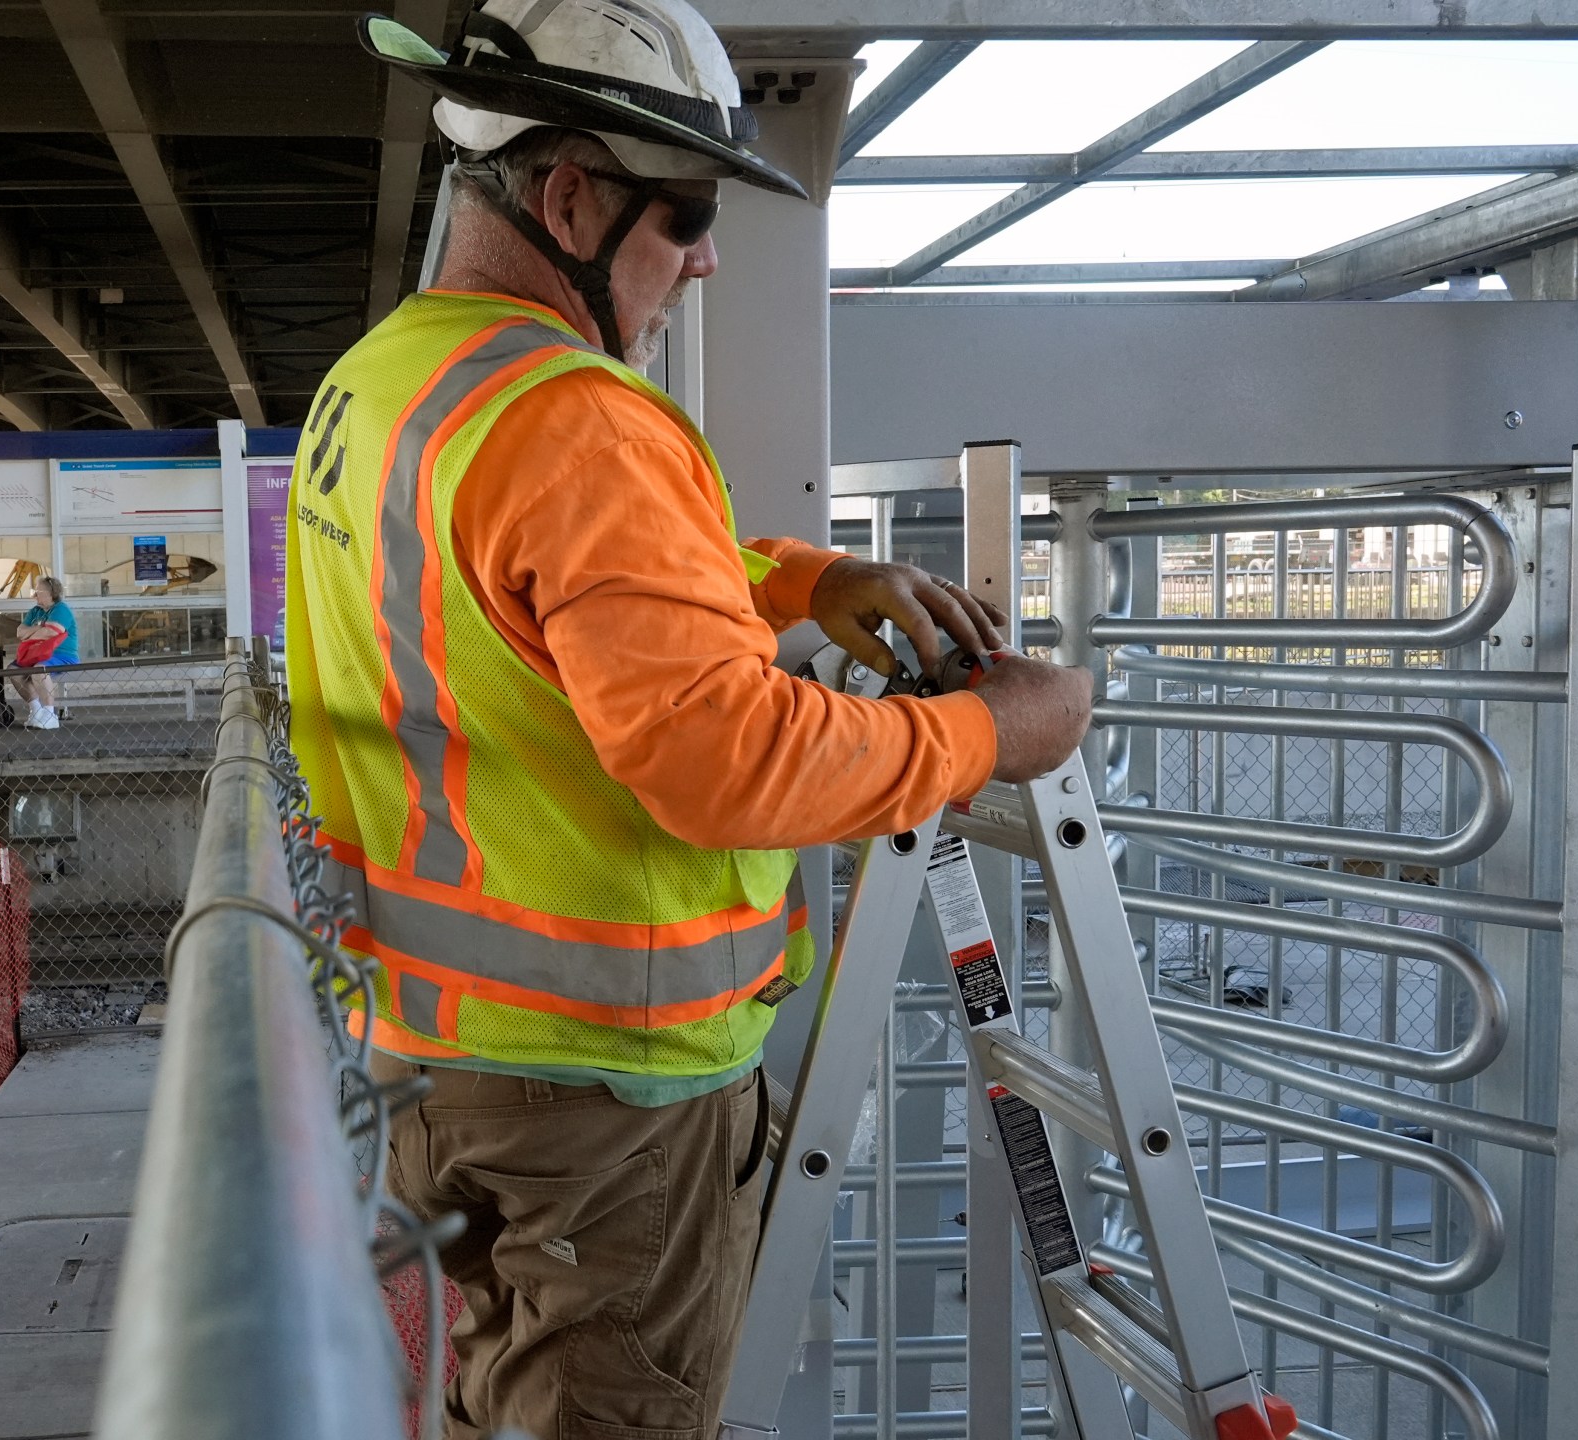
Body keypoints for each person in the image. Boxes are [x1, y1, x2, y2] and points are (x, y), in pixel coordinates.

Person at [289, 6, 1096, 1437]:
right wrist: (994, 737)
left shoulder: (390, 385)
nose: (709, 255)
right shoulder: (576, 415)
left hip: (441, 1056)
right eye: (689, 214)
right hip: (606, 1095)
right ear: (571, 199)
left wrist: (806, 575)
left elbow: (545, 584)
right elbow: (722, 759)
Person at [14, 577, 77, 730]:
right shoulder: (35, 611)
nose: (34, 595)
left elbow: (51, 632)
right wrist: (39, 628)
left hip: (61, 655)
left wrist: (31, 633)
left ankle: (50, 714)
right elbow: (19, 632)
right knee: (14, 672)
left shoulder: (61, 609)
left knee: (38, 671)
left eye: (38, 591)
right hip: (35, 653)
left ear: (50, 593)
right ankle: (36, 710)